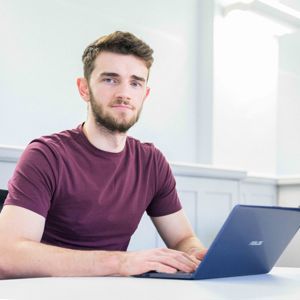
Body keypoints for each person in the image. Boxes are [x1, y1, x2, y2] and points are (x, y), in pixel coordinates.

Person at [0, 31, 206, 279]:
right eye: (110, 80)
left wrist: (195, 254)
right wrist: (121, 262)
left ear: (145, 95)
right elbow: (8, 256)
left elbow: (183, 238)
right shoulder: (46, 156)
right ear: (84, 89)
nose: (124, 93)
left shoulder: (152, 162)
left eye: (135, 83)